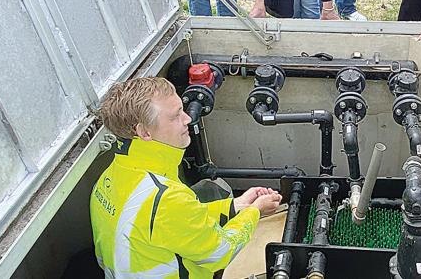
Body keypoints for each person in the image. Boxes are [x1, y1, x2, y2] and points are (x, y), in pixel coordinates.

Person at [91, 77, 282, 278]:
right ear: (144, 131)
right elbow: (220, 251)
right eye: (175, 116)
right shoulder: (165, 198)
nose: (187, 119)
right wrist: (254, 211)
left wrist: (236, 206)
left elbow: (178, 220)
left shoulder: (110, 177)